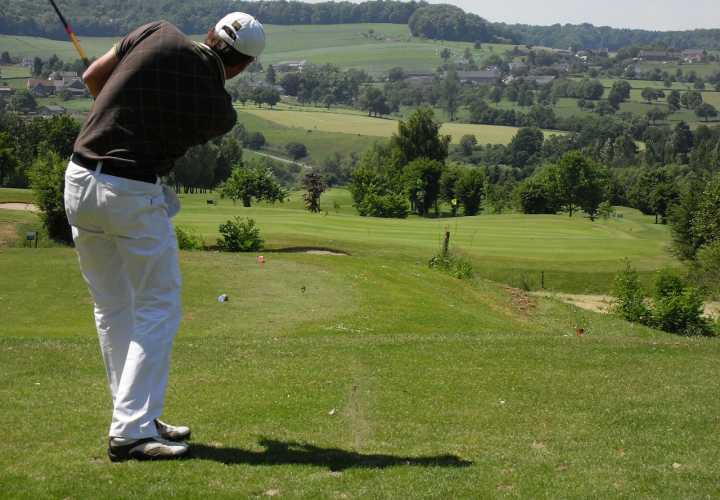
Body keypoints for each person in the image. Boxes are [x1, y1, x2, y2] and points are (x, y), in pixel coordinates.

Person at [63, 12, 265, 462]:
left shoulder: (157, 32)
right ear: (242, 66)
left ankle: (133, 415)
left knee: (113, 307)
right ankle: (131, 430)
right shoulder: (220, 112)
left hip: (78, 178)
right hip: (130, 192)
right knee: (159, 305)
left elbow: (94, 77)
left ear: (211, 32)